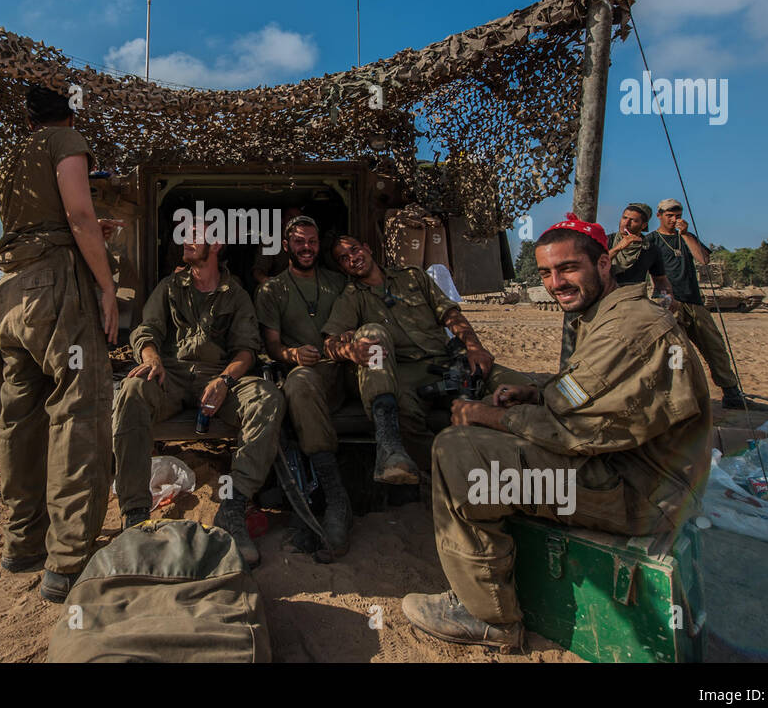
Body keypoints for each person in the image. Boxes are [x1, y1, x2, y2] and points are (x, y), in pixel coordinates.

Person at [401, 214, 712, 652]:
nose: (555, 282)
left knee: (457, 450)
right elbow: (583, 392)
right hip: (632, 470)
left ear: (604, 264)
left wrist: (487, 417)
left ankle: (487, 616)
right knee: (493, 426)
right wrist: (535, 391)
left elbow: (576, 432)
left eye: (568, 268)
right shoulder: (609, 313)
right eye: (546, 272)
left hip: (641, 494)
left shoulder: (627, 330)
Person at [0, 84, 118, 604]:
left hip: (12, 293)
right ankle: (67, 562)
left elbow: (45, 223)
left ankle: (23, 543)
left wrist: (84, 231)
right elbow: (79, 216)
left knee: (20, 415)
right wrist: (106, 286)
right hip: (56, 289)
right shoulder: (66, 141)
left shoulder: (12, 156)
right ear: (68, 114)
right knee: (79, 411)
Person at [113, 220, 283, 567]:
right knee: (130, 390)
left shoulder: (236, 294)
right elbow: (146, 329)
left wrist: (224, 381)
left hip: (216, 377)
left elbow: (247, 350)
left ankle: (233, 508)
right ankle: (134, 515)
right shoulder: (170, 286)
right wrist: (152, 358)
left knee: (267, 397)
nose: (186, 241)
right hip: (171, 374)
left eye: (194, 235)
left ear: (216, 243)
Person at [321, 235, 519, 484]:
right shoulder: (351, 297)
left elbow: (449, 313)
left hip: (446, 360)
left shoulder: (412, 276)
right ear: (342, 268)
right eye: (344, 258)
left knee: (513, 383)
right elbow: (330, 342)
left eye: (355, 250)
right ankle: (448, 471)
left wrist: (474, 347)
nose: (353, 258)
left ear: (368, 248)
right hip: (406, 372)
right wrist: (349, 351)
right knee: (402, 410)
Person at [254, 215, 355, 554]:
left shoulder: (337, 282)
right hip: (301, 379)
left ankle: (332, 503)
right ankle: (334, 497)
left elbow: (356, 320)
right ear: (286, 246)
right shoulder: (272, 290)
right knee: (297, 384)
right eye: (299, 241)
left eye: (312, 241)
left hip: (340, 378)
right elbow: (271, 345)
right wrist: (292, 353)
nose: (307, 247)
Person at [651, 198, 764, 410]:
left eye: (677, 214)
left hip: (694, 300)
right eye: (669, 215)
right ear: (659, 215)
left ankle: (731, 393)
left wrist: (685, 234)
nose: (674, 218)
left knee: (715, 347)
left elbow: (703, 259)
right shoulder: (652, 241)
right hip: (667, 302)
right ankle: (676, 397)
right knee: (675, 352)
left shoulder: (685, 238)